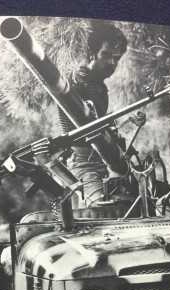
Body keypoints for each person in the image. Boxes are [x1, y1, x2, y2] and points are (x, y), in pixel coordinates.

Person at [57, 21, 130, 207]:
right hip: (81, 162)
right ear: (92, 53)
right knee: (98, 213)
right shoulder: (75, 81)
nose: (112, 63)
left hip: (101, 158)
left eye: (117, 58)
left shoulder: (99, 86)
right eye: (106, 55)